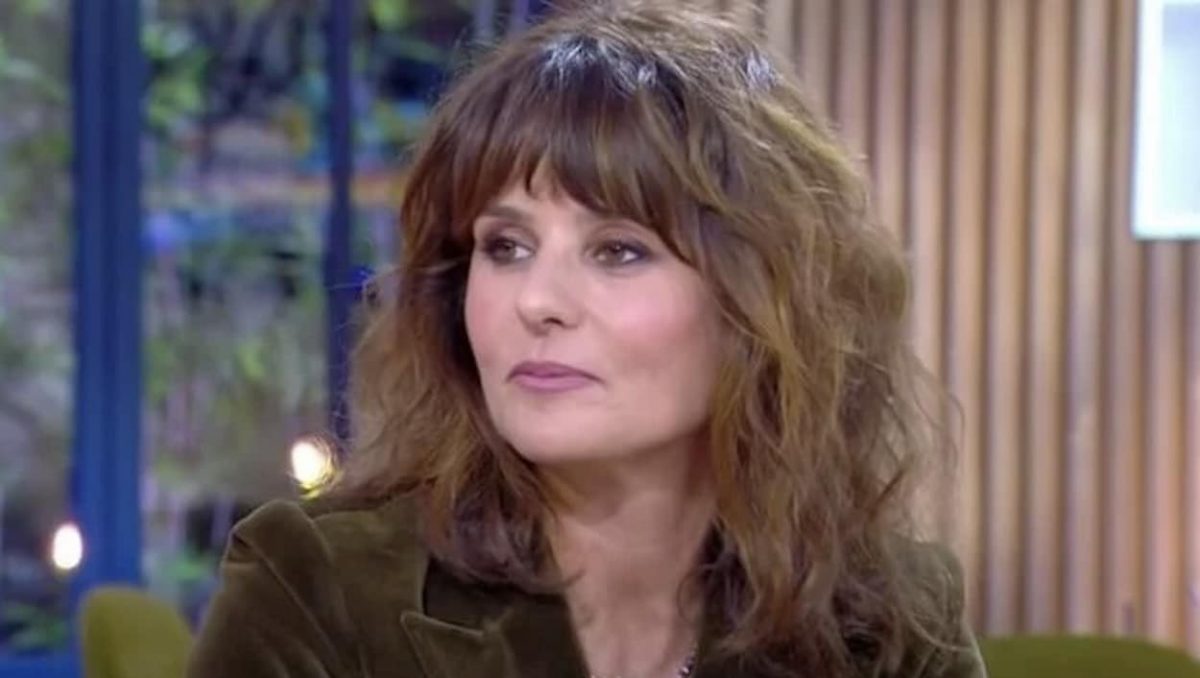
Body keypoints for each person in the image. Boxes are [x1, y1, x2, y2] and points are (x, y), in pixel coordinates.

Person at [187, 2, 987, 677]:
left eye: (618, 251)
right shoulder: (317, 587)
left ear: (759, 298)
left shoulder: (886, 624)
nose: (537, 301)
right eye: (505, 246)